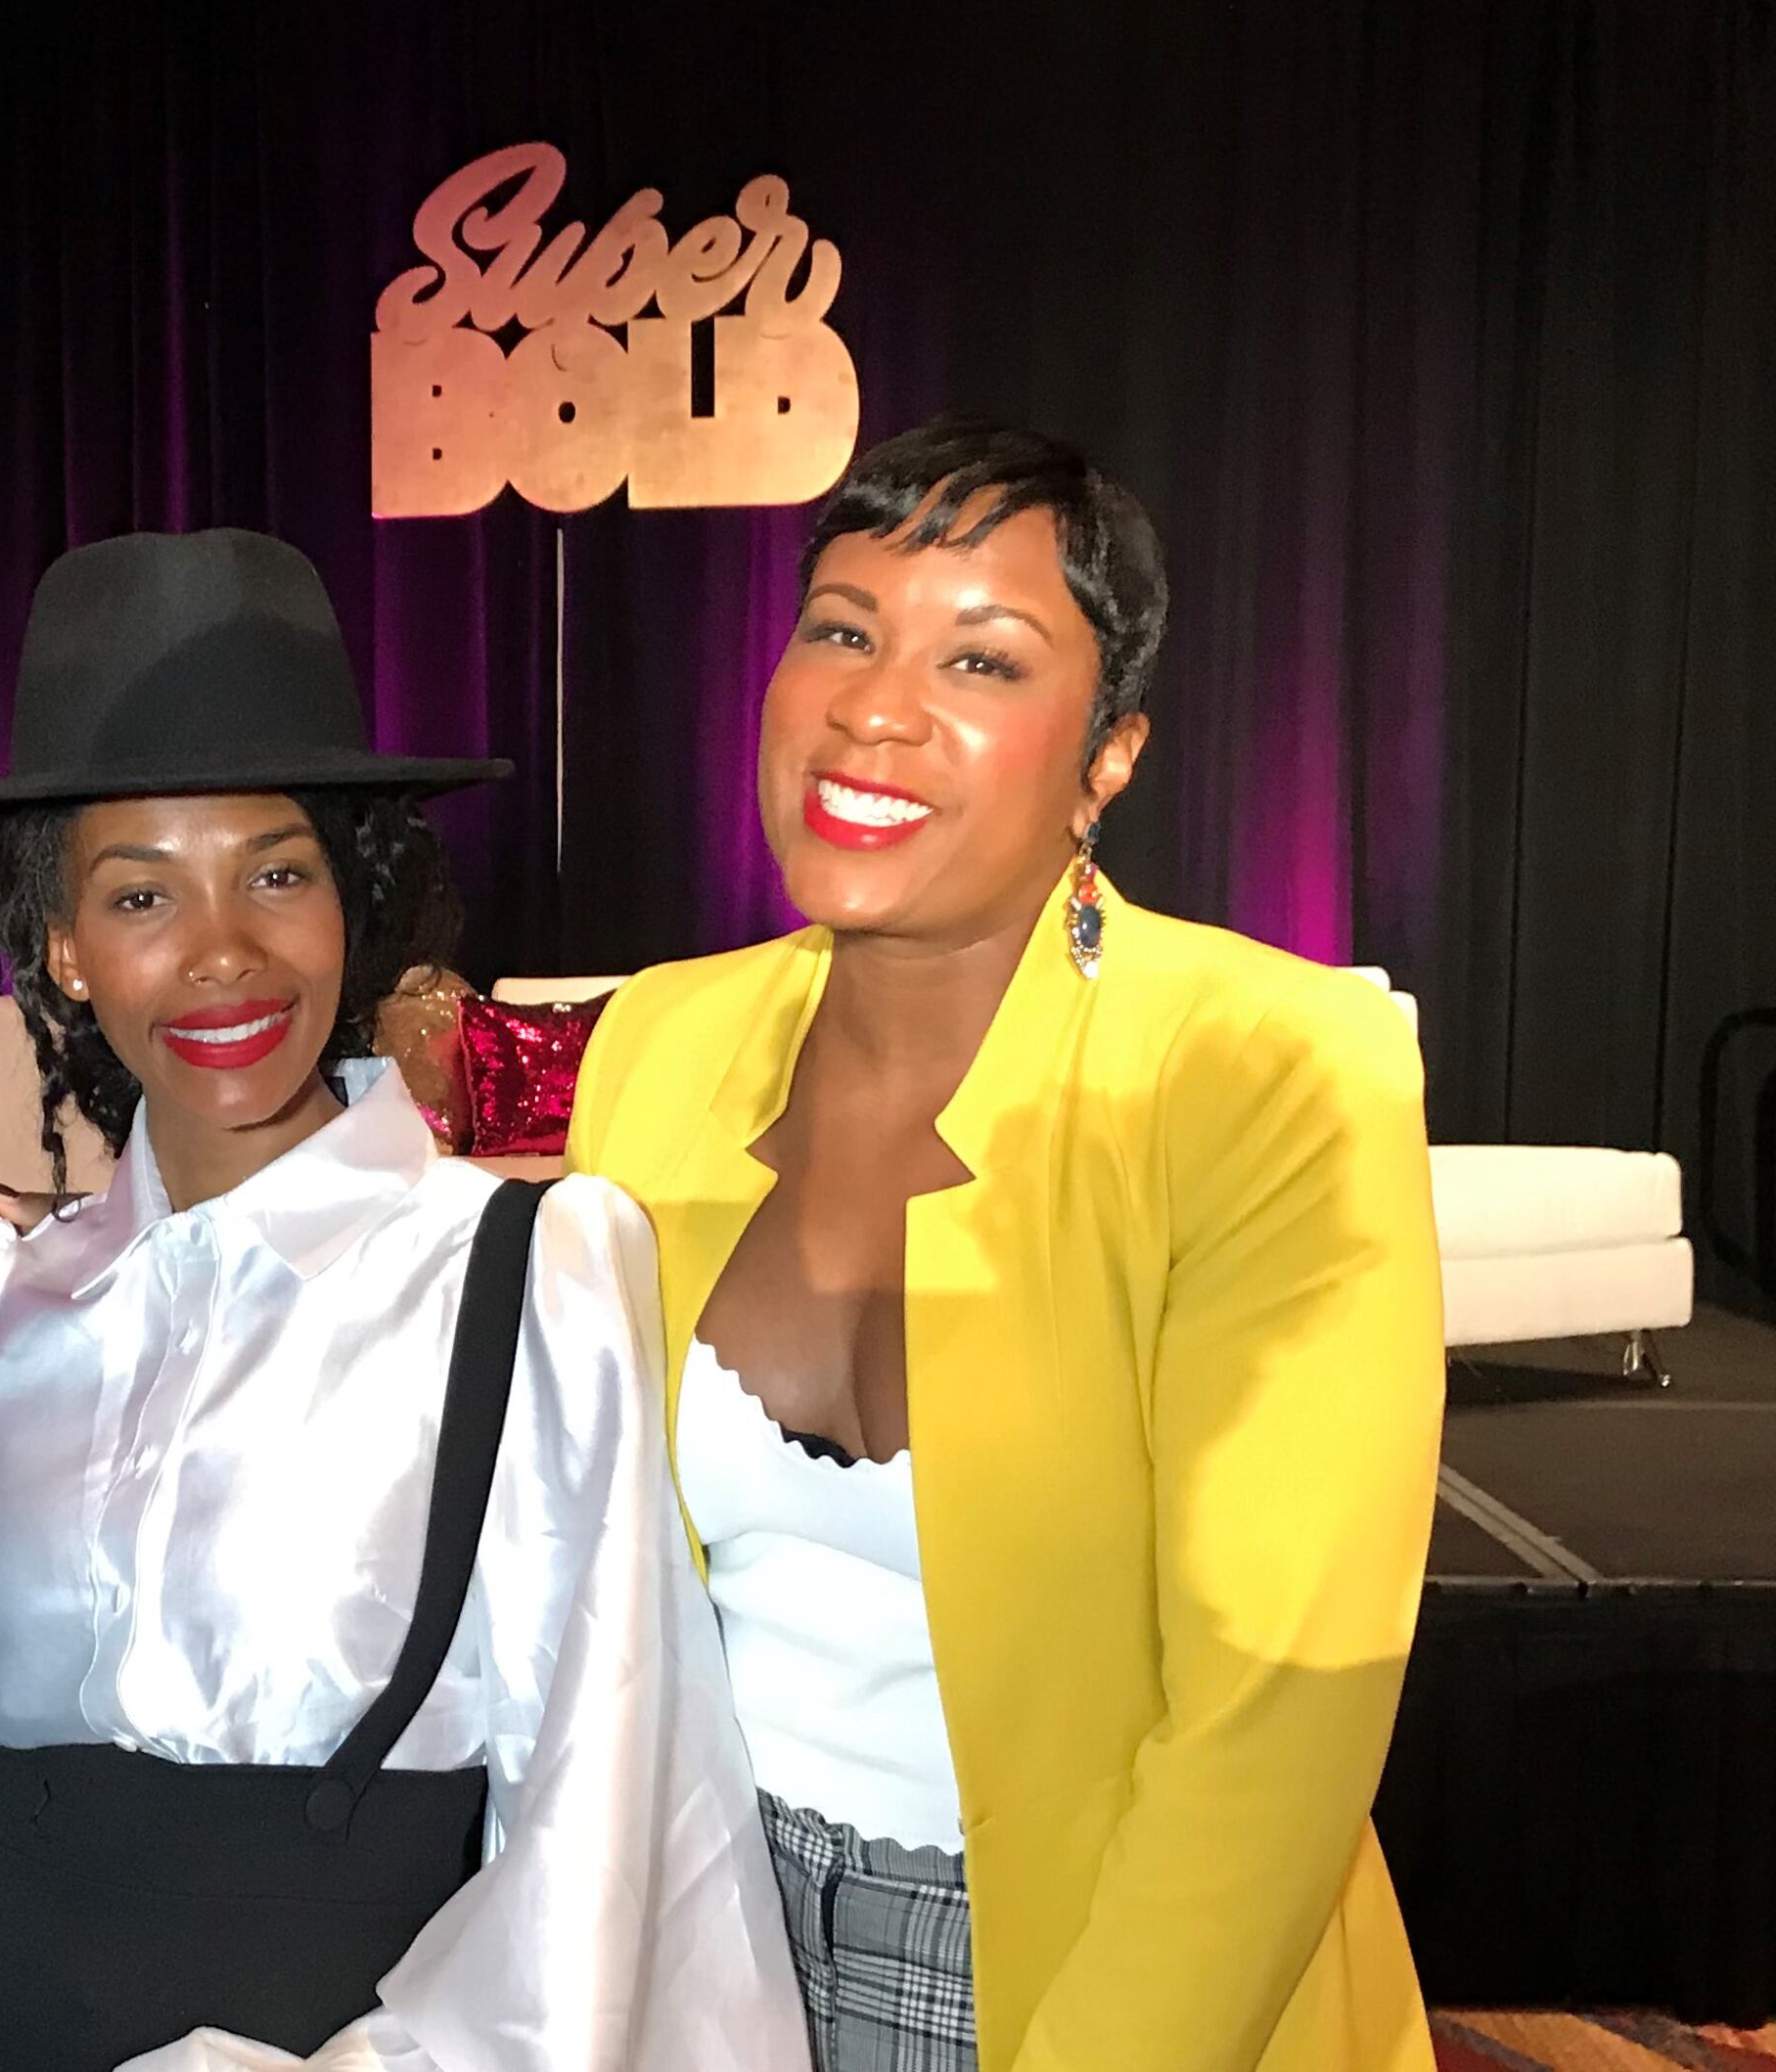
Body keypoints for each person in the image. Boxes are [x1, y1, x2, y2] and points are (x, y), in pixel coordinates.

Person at [568, 420, 1446, 2072]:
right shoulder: (660, 1048)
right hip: (698, 1929)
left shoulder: (1264, 1065)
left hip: (1077, 1950)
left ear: (1109, 752)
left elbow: (1281, 1708)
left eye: (982, 658)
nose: (876, 707)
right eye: (842, 628)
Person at [0, 528, 804, 2072]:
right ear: (58, 942)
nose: (223, 952)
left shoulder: (524, 1278)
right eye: (140, 895)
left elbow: (607, 1812)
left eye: (278, 872)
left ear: (352, 901)